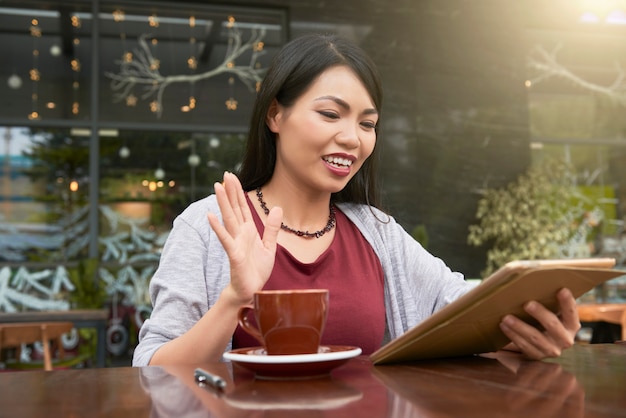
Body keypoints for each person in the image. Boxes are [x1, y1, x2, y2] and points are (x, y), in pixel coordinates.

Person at [132, 33, 580, 366]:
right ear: (275, 114)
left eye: (367, 124)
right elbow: (151, 368)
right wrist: (234, 298)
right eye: (330, 114)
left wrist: (530, 319)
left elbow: (457, 302)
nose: (352, 139)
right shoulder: (208, 224)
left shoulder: (376, 232)